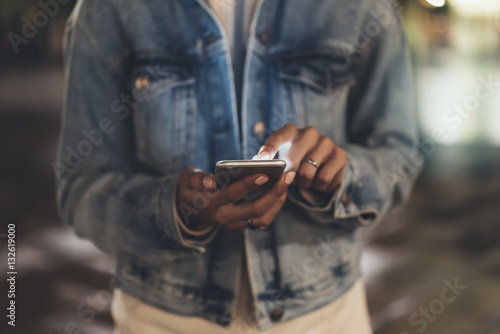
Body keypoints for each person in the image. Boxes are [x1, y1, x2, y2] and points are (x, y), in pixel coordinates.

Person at [55, 0, 421, 333]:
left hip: (324, 319)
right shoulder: (108, 10)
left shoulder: (363, 7)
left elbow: (398, 157)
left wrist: (340, 176)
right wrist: (174, 209)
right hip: (163, 320)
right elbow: (80, 188)